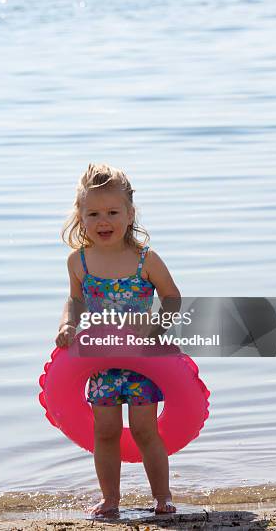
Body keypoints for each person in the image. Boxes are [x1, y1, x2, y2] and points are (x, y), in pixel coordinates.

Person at [56, 163, 181, 517]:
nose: (103, 221)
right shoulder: (78, 261)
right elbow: (75, 301)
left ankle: (162, 497)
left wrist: (157, 328)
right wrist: (68, 325)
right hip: (101, 363)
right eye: (93, 213)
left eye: (112, 212)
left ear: (129, 214)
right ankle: (111, 498)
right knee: (106, 431)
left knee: (145, 430)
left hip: (142, 362)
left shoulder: (146, 260)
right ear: (80, 217)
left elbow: (172, 298)